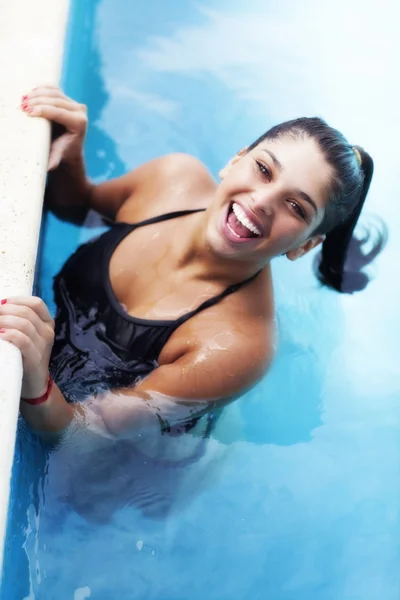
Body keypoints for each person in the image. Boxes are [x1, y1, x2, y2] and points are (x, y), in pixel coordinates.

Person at [0, 86, 376, 441]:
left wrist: (37, 383)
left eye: (296, 207)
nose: (262, 201)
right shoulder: (171, 180)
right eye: (263, 169)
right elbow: (79, 207)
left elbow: (81, 436)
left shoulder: (234, 346)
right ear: (235, 160)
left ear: (304, 246)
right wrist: (71, 152)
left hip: (132, 451)